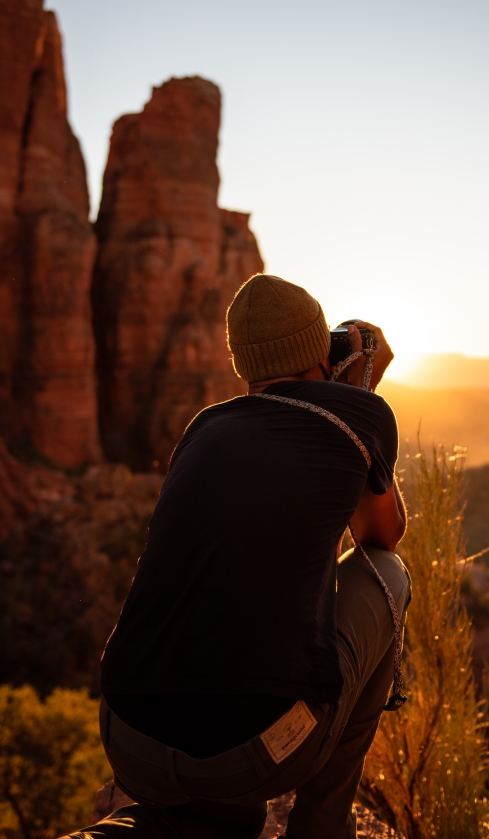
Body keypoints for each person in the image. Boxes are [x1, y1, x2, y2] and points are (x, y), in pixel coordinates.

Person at [64, 275, 411, 839]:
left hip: (129, 737)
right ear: (317, 351)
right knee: (389, 578)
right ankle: (322, 828)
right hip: (260, 750)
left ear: (242, 362)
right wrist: (360, 395)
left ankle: (165, 819)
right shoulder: (357, 413)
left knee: (225, 813)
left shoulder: (205, 427)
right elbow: (383, 536)